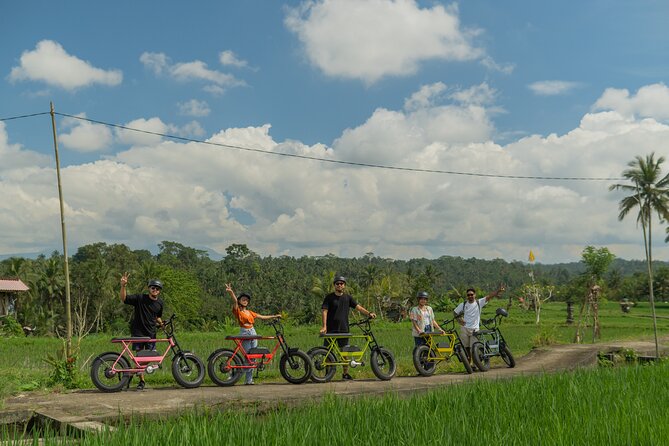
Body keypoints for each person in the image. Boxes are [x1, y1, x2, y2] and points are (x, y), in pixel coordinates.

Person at [320, 275, 376, 381]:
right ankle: (327, 374)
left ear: (344, 285)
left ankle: (345, 374)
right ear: (334, 285)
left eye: (342, 283)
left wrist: (369, 313)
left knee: (344, 353)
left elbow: (358, 307)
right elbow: (324, 311)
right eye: (337, 283)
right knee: (327, 352)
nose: (339, 285)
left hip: (344, 329)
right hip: (330, 329)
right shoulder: (329, 297)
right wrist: (324, 326)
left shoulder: (348, 298)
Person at [225, 283, 281, 385]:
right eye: (243, 299)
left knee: (253, 357)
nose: (245, 301)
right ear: (239, 301)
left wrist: (274, 316)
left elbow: (262, 317)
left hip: (253, 332)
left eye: (247, 299)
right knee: (247, 356)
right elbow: (234, 300)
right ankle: (233, 376)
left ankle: (249, 380)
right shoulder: (237, 311)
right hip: (245, 333)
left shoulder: (250, 312)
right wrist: (231, 292)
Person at [120, 272, 164, 390]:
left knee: (149, 358)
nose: (155, 290)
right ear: (149, 288)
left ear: (159, 291)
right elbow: (124, 299)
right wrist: (123, 286)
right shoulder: (140, 298)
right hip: (138, 333)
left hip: (151, 334)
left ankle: (130, 373)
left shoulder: (160, 303)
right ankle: (141, 382)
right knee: (139, 359)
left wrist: (161, 323)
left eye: (157, 288)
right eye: (153, 287)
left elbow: (157, 316)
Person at [453, 285, 505, 369]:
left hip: (474, 329)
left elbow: (489, 296)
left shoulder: (479, 302)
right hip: (464, 328)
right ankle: (469, 362)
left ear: (475, 295)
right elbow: (455, 312)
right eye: (468, 295)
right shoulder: (463, 304)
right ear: (467, 296)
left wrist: (498, 291)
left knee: (473, 347)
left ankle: (475, 363)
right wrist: (460, 320)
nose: (470, 296)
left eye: (471, 294)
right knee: (466, 347)